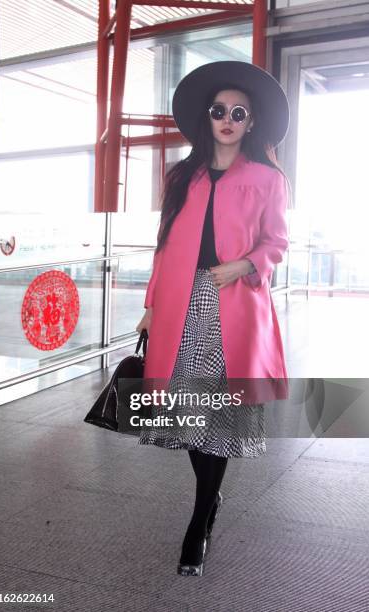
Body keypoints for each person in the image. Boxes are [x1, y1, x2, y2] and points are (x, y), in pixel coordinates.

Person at [135, 61, 291, 577]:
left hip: (234, 303)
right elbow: (162, 249)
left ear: (251, 123)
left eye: (238, 113)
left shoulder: (268, 180)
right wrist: (151, 307)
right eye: (219, 110)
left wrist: (246, 264)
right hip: (182, 305)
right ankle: (211, 503)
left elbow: (276, 243)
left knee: (216, 416)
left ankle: (199, 520)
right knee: (189, 410)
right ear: (208, 117)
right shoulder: (182, 176)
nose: (227, 119)